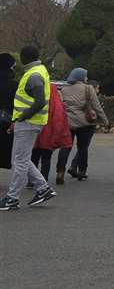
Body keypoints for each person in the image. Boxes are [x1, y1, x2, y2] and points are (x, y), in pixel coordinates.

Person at [4, 44, 56, 210]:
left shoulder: (33, 75)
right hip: (29, 122)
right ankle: (43, 188)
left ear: (24, 57)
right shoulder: (39, 71)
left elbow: (40, 101)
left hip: (28, 123)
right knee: (21, 159)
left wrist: (22, 117)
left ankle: (12, 198)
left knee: (19, 161)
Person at [59, 68, 105, 181]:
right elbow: (96, 105)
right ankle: (82, 171)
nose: (87, 78)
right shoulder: (88, 88)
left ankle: (60, 172)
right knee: (83, 148)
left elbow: (61, 106)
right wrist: (104, 120)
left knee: (65, 147)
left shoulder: (64, 89)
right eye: (85, 76)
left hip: (68, 122)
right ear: (80, 77)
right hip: (85, 122)